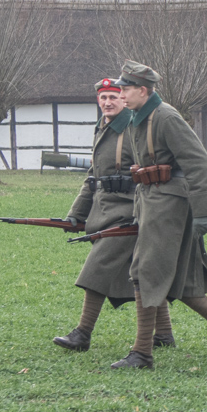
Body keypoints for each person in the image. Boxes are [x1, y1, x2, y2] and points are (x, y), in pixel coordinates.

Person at [111, 61, 207, 370]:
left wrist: (202, 214)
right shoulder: (138, 118)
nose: (120, 94)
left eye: (126, 89)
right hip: (153, 201)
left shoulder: (166, 117)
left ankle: (142, 353)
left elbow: (199, 162)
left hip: (170, 202)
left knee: (145, 271)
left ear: (143, 91)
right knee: (181, 279)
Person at [52, 78, 174, 353]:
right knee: (145, 275)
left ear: (124, 99)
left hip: (131, 211)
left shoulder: (135, 128)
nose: (107, 102)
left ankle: (82, 333)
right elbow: (93, 176)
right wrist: (76, 214)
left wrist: (149, 211)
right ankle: (164, 333)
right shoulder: (103, 129)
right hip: (105, 211)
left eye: (113, 97)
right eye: (103, 97)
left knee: (97, 269)